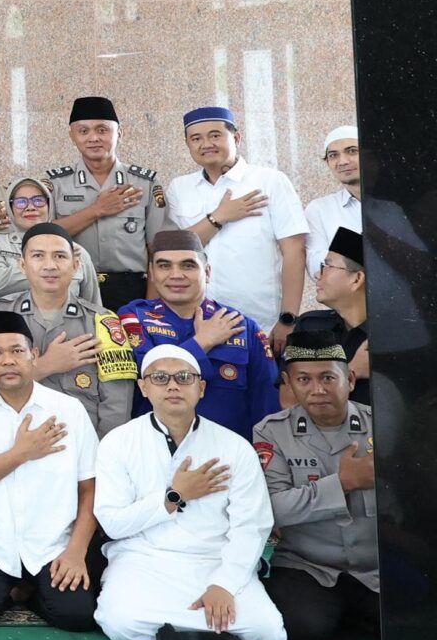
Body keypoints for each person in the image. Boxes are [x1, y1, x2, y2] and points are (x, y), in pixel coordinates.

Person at [93, 342, 285, 640]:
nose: (172, 386)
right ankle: (212, 637)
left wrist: (224, 585)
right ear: (143, 387)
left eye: (184, 377)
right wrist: (174, 497)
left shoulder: (234, 447)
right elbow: (113, 524)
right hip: (144, 559)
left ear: (201, 388)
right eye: (160, 378)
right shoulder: (118, 443)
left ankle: (179, 635)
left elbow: (252, 526)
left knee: (268, 634)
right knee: (119, 621)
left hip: (214, 560)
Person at [0, 311, 101, 629]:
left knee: (77, 614)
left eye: (17, 350)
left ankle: (30, 591)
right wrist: (20, 453)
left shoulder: (69, 409)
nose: (8, 361)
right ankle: (18, 588)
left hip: (52, 543)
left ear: (34, 354)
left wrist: (76, 551)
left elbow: (90, 488)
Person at [253, 316, 378, 640]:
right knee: (301, 627)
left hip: (377, 567)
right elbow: (272, 508)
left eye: (327, 377)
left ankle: (354, 613)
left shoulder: (382, 425)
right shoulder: (271, 432)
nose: (317, 389)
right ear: (288, 383)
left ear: (349, 379)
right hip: (307, 564)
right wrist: (343, 483)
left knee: (416, 626)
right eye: (304, 379)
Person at [119, 231, 278, 440]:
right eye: (164, 266)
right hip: (155, 447)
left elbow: (267, 403)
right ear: (152, 273)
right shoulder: (134, 317)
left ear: (207, 272)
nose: (176, 275)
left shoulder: (240, 326)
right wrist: (201, 342)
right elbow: (149, 375)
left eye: (188, 265)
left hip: (229, 451)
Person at [163, 104, 306, 332]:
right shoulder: (180, 187)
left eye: (215, 135)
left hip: (260, 323)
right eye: (196, 138)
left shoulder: (270, 181)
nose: (206, 144)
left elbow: (294, 252)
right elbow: (178, 250)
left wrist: (288, 319)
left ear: (237, 137)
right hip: (194, 321)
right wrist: (219, 217)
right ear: (188, 144)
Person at [0, 224, 136, 435]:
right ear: (22, 265)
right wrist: (44, 366)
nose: (50, 265)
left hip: (81, 441)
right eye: (38, 256)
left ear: (76, 265)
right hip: (9, 439)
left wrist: (102, 450)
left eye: (59, 256)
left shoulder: (102, 321)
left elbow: (118, 404)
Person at [45, 96, 170, 311]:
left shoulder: (144, 183)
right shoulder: (56, 184)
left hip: (132, 291)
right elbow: (45, 237)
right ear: (72, 136)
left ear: (119, 133)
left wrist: (150, 304)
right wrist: (97, 210)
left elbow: (158, 249)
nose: (93, 138)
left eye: (102, 130)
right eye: (83, 131)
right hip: (72, 287)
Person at [0, 180, 106, 311]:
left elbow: (93, 307)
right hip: (11, 322)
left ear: (49, 205)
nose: (30, 207)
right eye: (21, 202)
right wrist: (52, 266)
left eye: (38, 200)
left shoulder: (74, 251)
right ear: (10, 208)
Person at [304, 125, 361, 278]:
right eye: (333, 155)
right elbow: (316, 266)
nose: (342, 161)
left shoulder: (394, 206)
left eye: (352, 151)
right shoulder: (319, 209)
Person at [312, 226, 371, 371]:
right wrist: (352, 370)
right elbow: (291, 385)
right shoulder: (309, 327)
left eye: (328, 266)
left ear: (357, 279)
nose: (317, 275)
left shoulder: (391, 337)